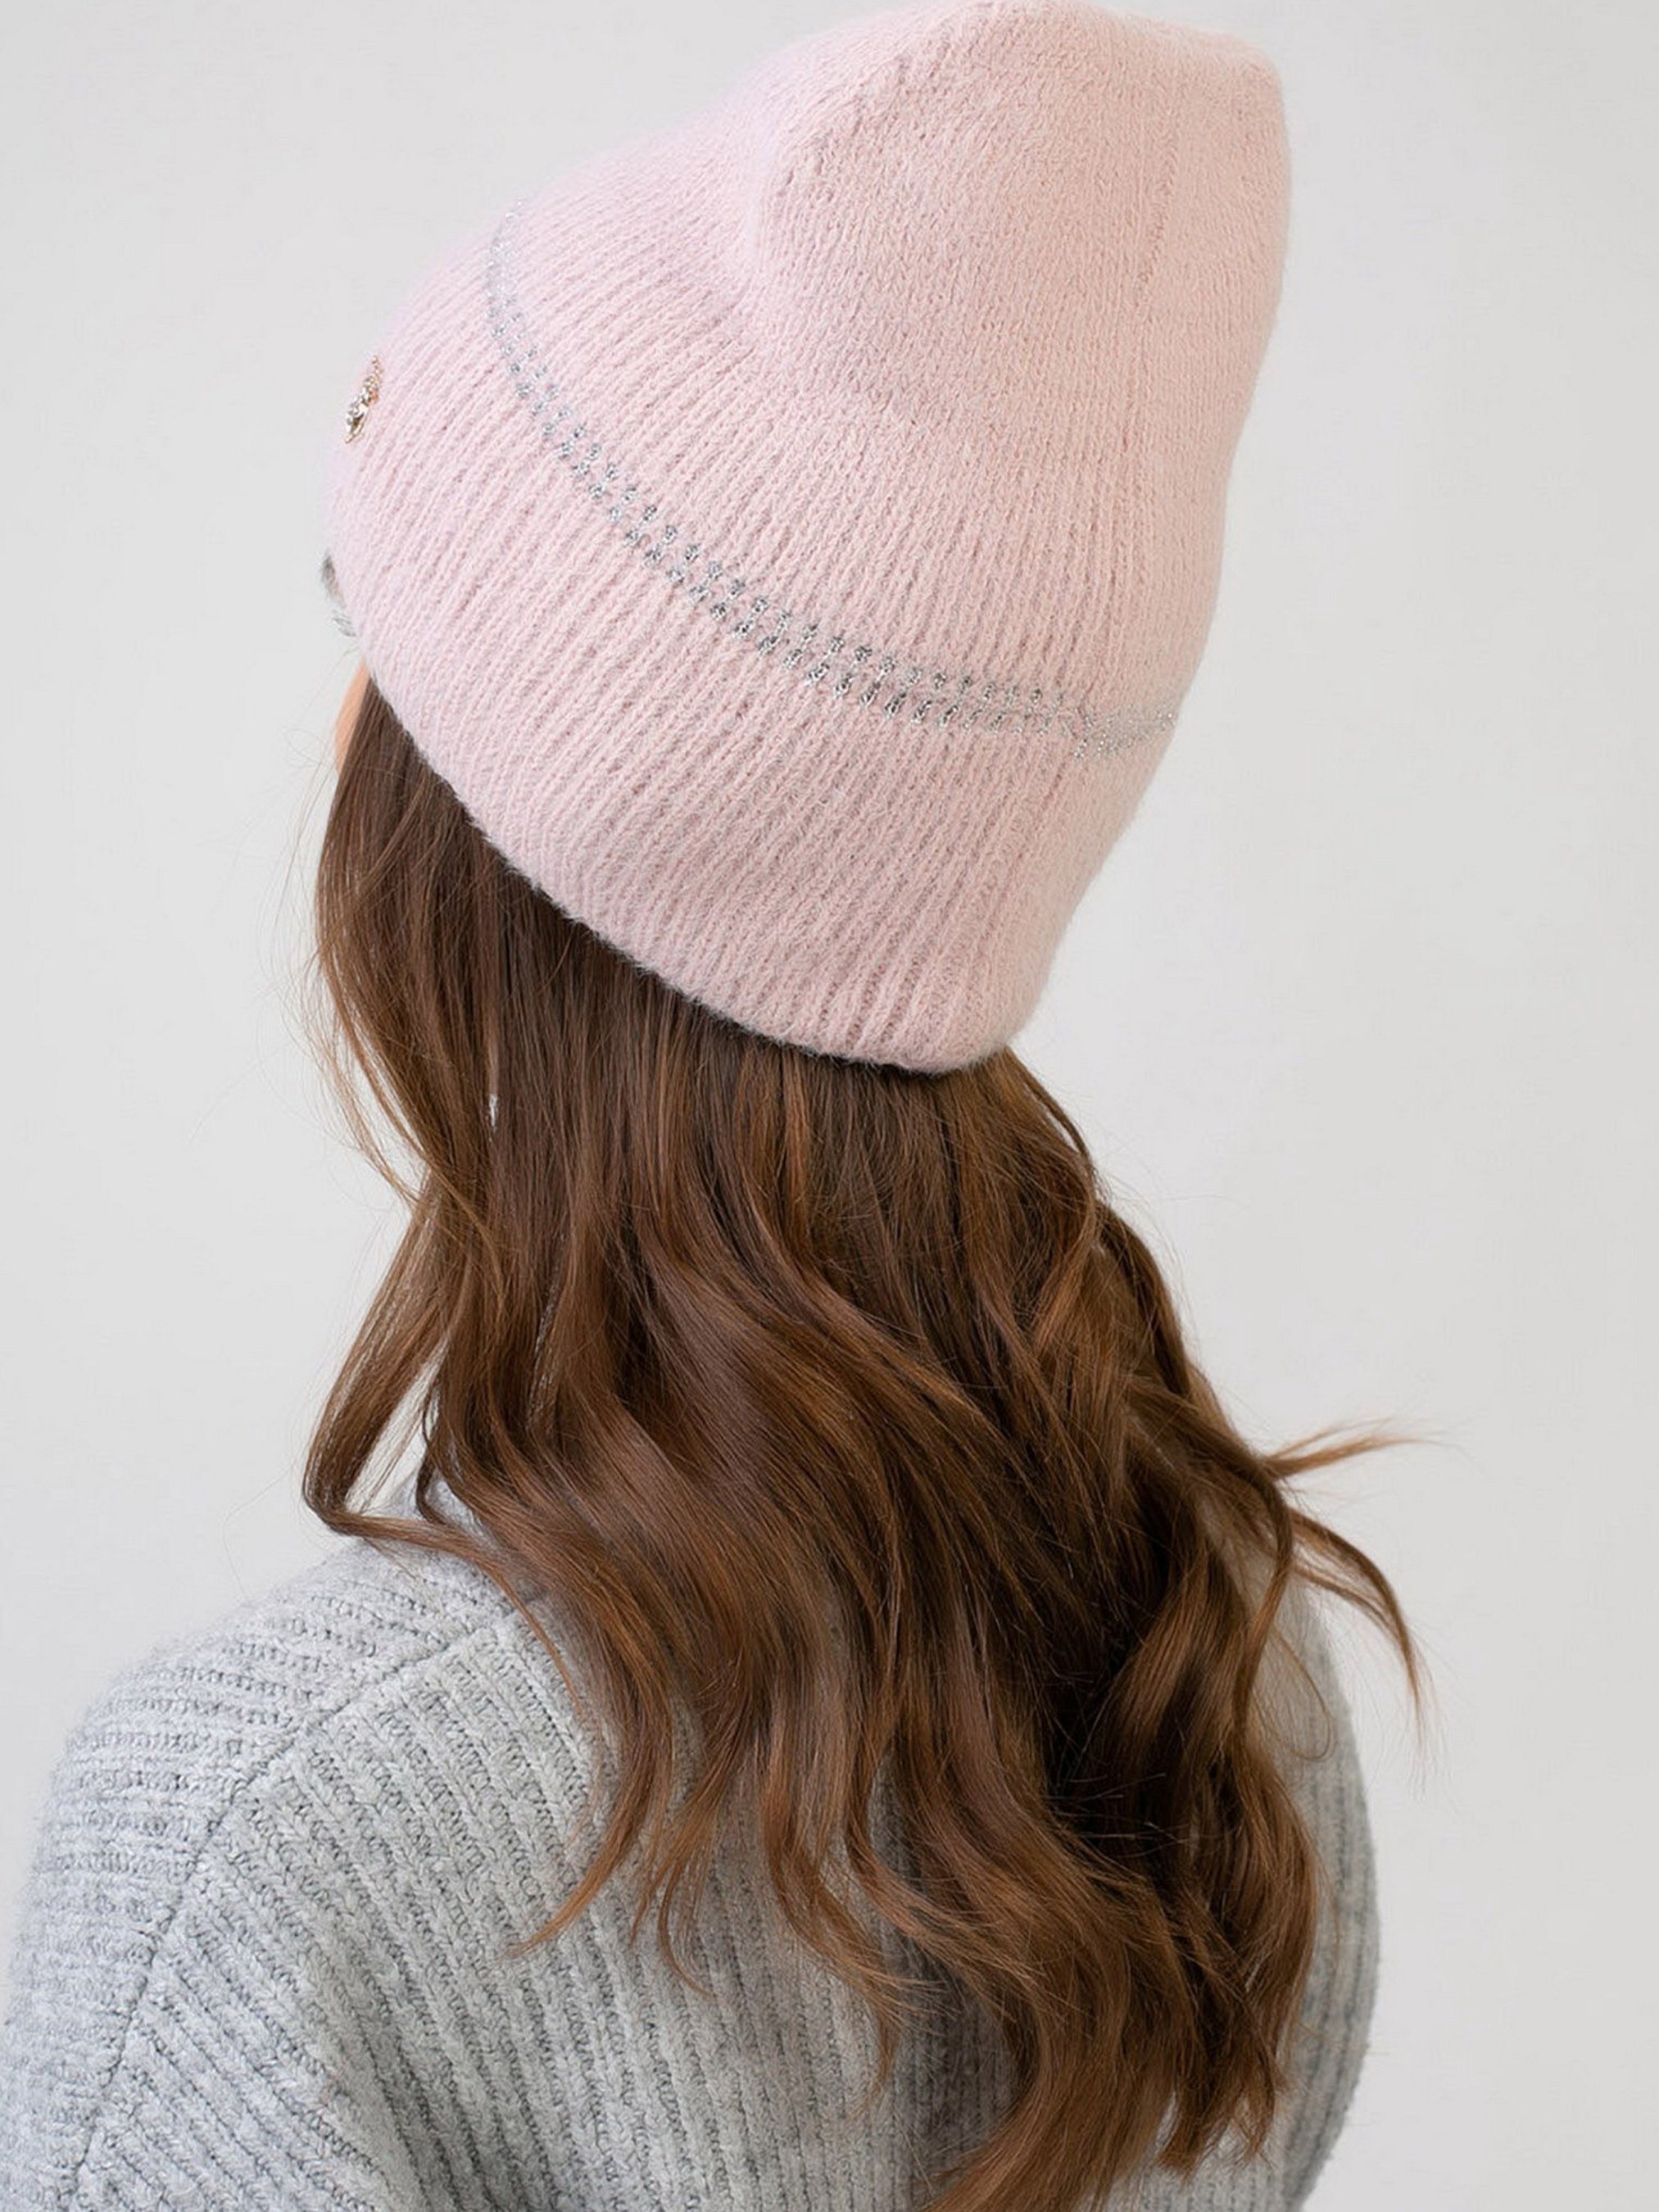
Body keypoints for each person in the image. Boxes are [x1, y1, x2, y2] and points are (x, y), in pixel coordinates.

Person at [0, 2, 1425, 2206]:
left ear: (514, 833)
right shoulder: (1210, 1665)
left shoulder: (259, 1843)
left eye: (375, 612)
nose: (352, 703)